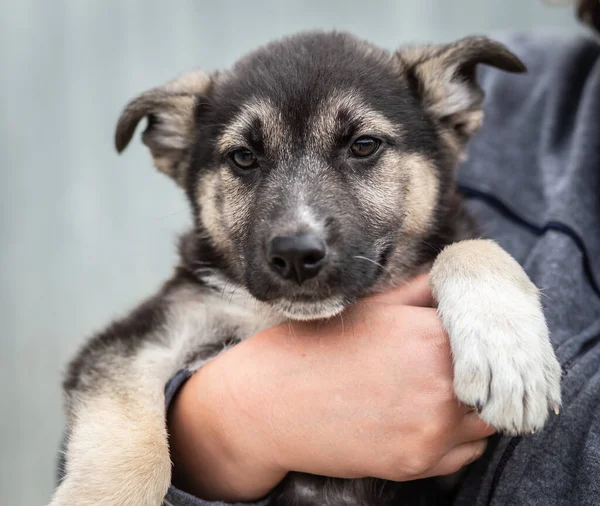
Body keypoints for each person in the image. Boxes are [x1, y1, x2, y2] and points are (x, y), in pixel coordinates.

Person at [62, 1, 600, 505]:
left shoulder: (464, 259)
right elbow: (108, 385)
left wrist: (478, 269)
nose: (299, 232)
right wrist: (222, 430)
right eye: (245, 158)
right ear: (179, 156)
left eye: (363, 147)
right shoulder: (534, 100)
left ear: (449, 122)